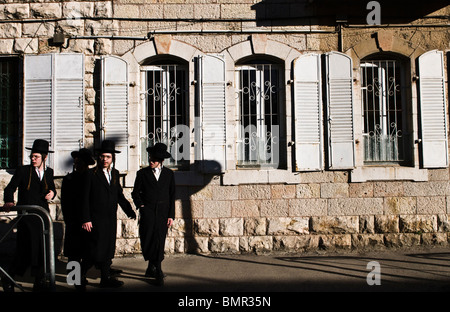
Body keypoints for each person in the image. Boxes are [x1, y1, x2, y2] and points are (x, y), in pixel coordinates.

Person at [1, 139, 57, 292]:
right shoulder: (23, 171)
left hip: (42, 219)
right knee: (24, 251)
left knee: (41, 251)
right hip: (27, 218)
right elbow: (10, 188)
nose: (33, 159)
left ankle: (39, 282)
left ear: (44, 157)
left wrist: (52, 193)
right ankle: (9, 279)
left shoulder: (49, 172)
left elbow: (52, 189)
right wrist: (9, 201)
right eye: (32, 156)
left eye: (36, 157)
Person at [80, 140, 136, 288]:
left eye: (108, 157)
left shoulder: (115, 174)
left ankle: (105, 278)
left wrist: (129, 210)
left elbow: (119, 195)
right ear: (99, 157)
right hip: (95, 219)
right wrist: (86, 219)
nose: (105, 159)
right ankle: (79, 274)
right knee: (94, 251)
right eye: (102, 156)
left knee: (107, 249)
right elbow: (84, 198)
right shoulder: (91, 174)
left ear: (112, 159)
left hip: (110, 219)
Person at [131, 142, 176, 286]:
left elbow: (172, 195)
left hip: (163, 212)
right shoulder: (142, 173)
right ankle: (151, 266)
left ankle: (158, 270)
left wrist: (171, 215)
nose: (151, 161)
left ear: (161, 161)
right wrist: (141, 206)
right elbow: (135, 193)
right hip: (148, 211)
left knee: (159, 240)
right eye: (150, 158)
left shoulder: (169, 174)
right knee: (149, 239)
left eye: (154, 160)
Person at [61, 148, 95, 290]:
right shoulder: (68, 179)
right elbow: (65, 202)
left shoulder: (90, 177)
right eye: (76, 162)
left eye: (80, 162)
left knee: (90, 252)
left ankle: (80, 275)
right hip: (74, 221)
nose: (77, 165)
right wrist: (69, 219)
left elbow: (91, 199)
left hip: (89, 221)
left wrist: (88, 218)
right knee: (73, 253)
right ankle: (75, 280)